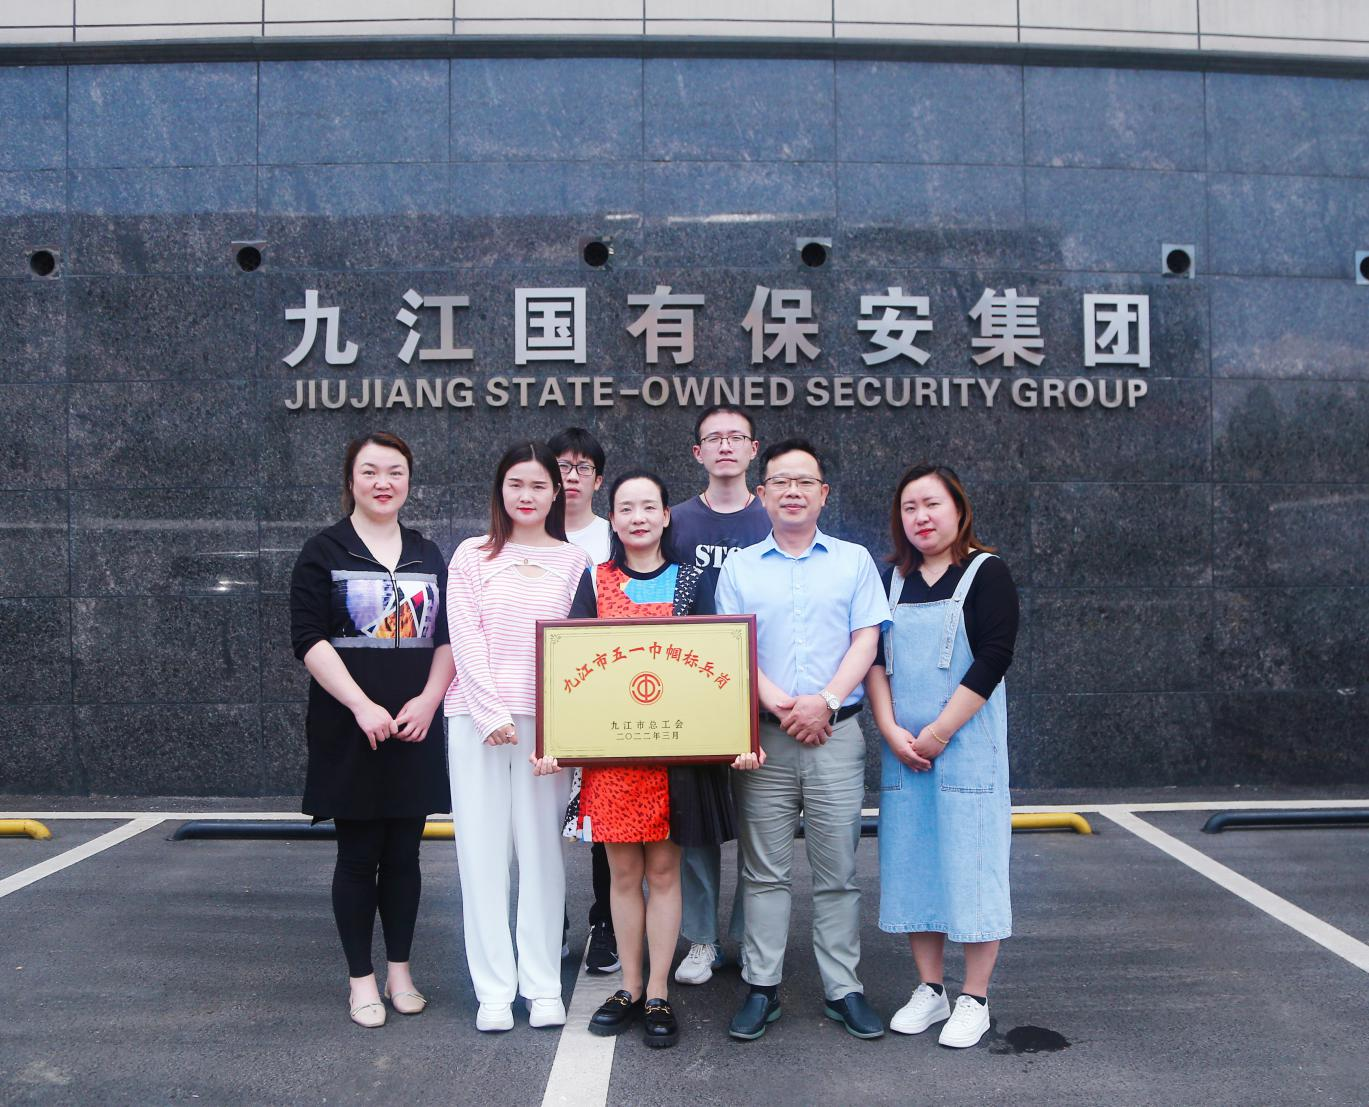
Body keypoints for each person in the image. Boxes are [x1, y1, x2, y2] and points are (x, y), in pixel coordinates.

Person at [533, 469, 761, 1050]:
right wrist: (556, 742)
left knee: (663, 873)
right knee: (623, 875)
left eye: (648, 507)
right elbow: (571, 667)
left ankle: (658, 990)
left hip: (674, 758)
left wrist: (739, 734)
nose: (638, 517)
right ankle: (628, 987)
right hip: (613, 758)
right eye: (626, 508)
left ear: (666, 516)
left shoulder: (692, 582)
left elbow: (718, 665)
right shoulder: (595, 581)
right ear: (613, 519)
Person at [714, 439, 892, 1042]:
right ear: (761, 494)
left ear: (823, 494)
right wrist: (784, 706)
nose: (792, 491)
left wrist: (826, 701)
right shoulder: (739, 568)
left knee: (837, 870)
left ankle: (844, 989)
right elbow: (732, 646)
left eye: (805, 482)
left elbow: (867, 638)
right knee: (763, 872)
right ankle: (761, 987)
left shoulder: (854, 561)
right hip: (763, 740)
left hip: (835, 736)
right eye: (781, 482)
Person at [290, 432, 455, 1029]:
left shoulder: (428, 553)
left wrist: (429, 702)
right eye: (370, 471)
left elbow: (448, 639)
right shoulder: (323, 550)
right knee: (359, 856)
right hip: (350, 729)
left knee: (406, 856)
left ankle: (400, 973)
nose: (383, 482)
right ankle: (360, 979)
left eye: (395, 471)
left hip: (414, 728)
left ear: (408, 480)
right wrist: (361, 706)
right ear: (351, 479)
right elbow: (309, 640)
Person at [866, 463, 1019, 1049]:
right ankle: (931, 989)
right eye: (909, 508)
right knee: (915, 867)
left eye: (932, 504)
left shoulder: (986, 572)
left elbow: (994, 657)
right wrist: (890, 729)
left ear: (959, 508)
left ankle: (974, 997)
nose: (921, 517)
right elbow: (872, 659)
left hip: (965, 748)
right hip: (905, 753)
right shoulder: (889, 580)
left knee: (974, 868)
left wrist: (940, 731)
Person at [444, 442, 591, 1033]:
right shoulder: (472, 555)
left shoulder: (575, 561)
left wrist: (559, 729)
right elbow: (465, 636)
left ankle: (542, 984)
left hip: (545, 727)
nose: (526, 496)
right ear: (500, 491)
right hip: (476, 721)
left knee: (542, 853)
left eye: (538, 485)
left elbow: (577, 647)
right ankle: (493, 991)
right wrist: (490, 714)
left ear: (556, 493)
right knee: (481, 856)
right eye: (515, 484)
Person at [667, 405, 771, 986]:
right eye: (714, 438)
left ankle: (751, 939)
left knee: (760, 827)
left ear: (753, 449)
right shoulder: (677, 521)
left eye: (736, 437)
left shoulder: (772, 516)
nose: (725, 446)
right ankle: (701, 940)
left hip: (762, 696)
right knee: (697, 830)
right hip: (691, 698)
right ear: (697, 452)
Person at [548, 426, 618, 976]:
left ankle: (606, 924)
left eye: (582, 467)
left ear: (598, 479)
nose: (571, 477)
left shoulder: (612, 537)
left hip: (605, 699)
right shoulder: (525, 533)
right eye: (561, 467)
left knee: (604, 823)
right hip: (541, 700)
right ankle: (550, 922)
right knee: (540, 821)